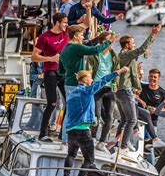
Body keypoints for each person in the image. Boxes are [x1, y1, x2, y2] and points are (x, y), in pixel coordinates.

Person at [32, 11, 92, 142]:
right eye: (64, 22)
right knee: (52, 103)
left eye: (66, 23)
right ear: (57, 22)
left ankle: (63, 134)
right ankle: (43, 134)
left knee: (70, 103)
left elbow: (87, 24)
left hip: (65, 73)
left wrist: (88, 8)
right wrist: (50, 58)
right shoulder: (45, 37)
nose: (66, 24)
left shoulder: (67, 32)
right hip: (50, 72)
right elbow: (34, 56)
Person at [63, 68, 128, 176]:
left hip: (70, 131)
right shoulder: (86, 91)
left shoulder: (71, 94)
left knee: (71, 155)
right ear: (85, 79)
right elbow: (102, 81)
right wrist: (118, 72)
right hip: (82, 130)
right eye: (90, 77)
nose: (92, 80)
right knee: (89, 159)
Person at [58, 23, 116, 144]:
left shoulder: (64, 49)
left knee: (69, 111)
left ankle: (65, 138)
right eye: (81, 35)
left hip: (68, 83)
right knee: (77, 112)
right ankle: (69, 140)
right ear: (75, 36)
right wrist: (109, 41)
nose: (82, 37)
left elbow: (60, 70)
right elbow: (95, 50)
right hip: (76, 84)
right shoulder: (76, 47)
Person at [116, 25, 162, 154]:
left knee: (125, 119)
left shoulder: (125, 56)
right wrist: (153, 34)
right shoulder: (125, 55)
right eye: (133, 43)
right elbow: (141, 49)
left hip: (121, 91)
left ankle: (118, 141)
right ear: (126, 45)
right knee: (132, 120)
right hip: (125, 90)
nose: (134, 45)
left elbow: (137, 56)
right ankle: (124, 146)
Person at [86, 31, 120, 152]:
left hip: (109, 88)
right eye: (107, 41)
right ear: (101, 42)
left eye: (111, 41)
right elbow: (88, 70)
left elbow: (116, 70)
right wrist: (89, 82)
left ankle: (102, 141)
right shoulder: (94, 54)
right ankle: (93, 138)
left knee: (109, 118)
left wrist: (115, 82)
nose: (110, 43)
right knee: (96, 115)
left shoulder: (114, 55)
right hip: (96, 88)